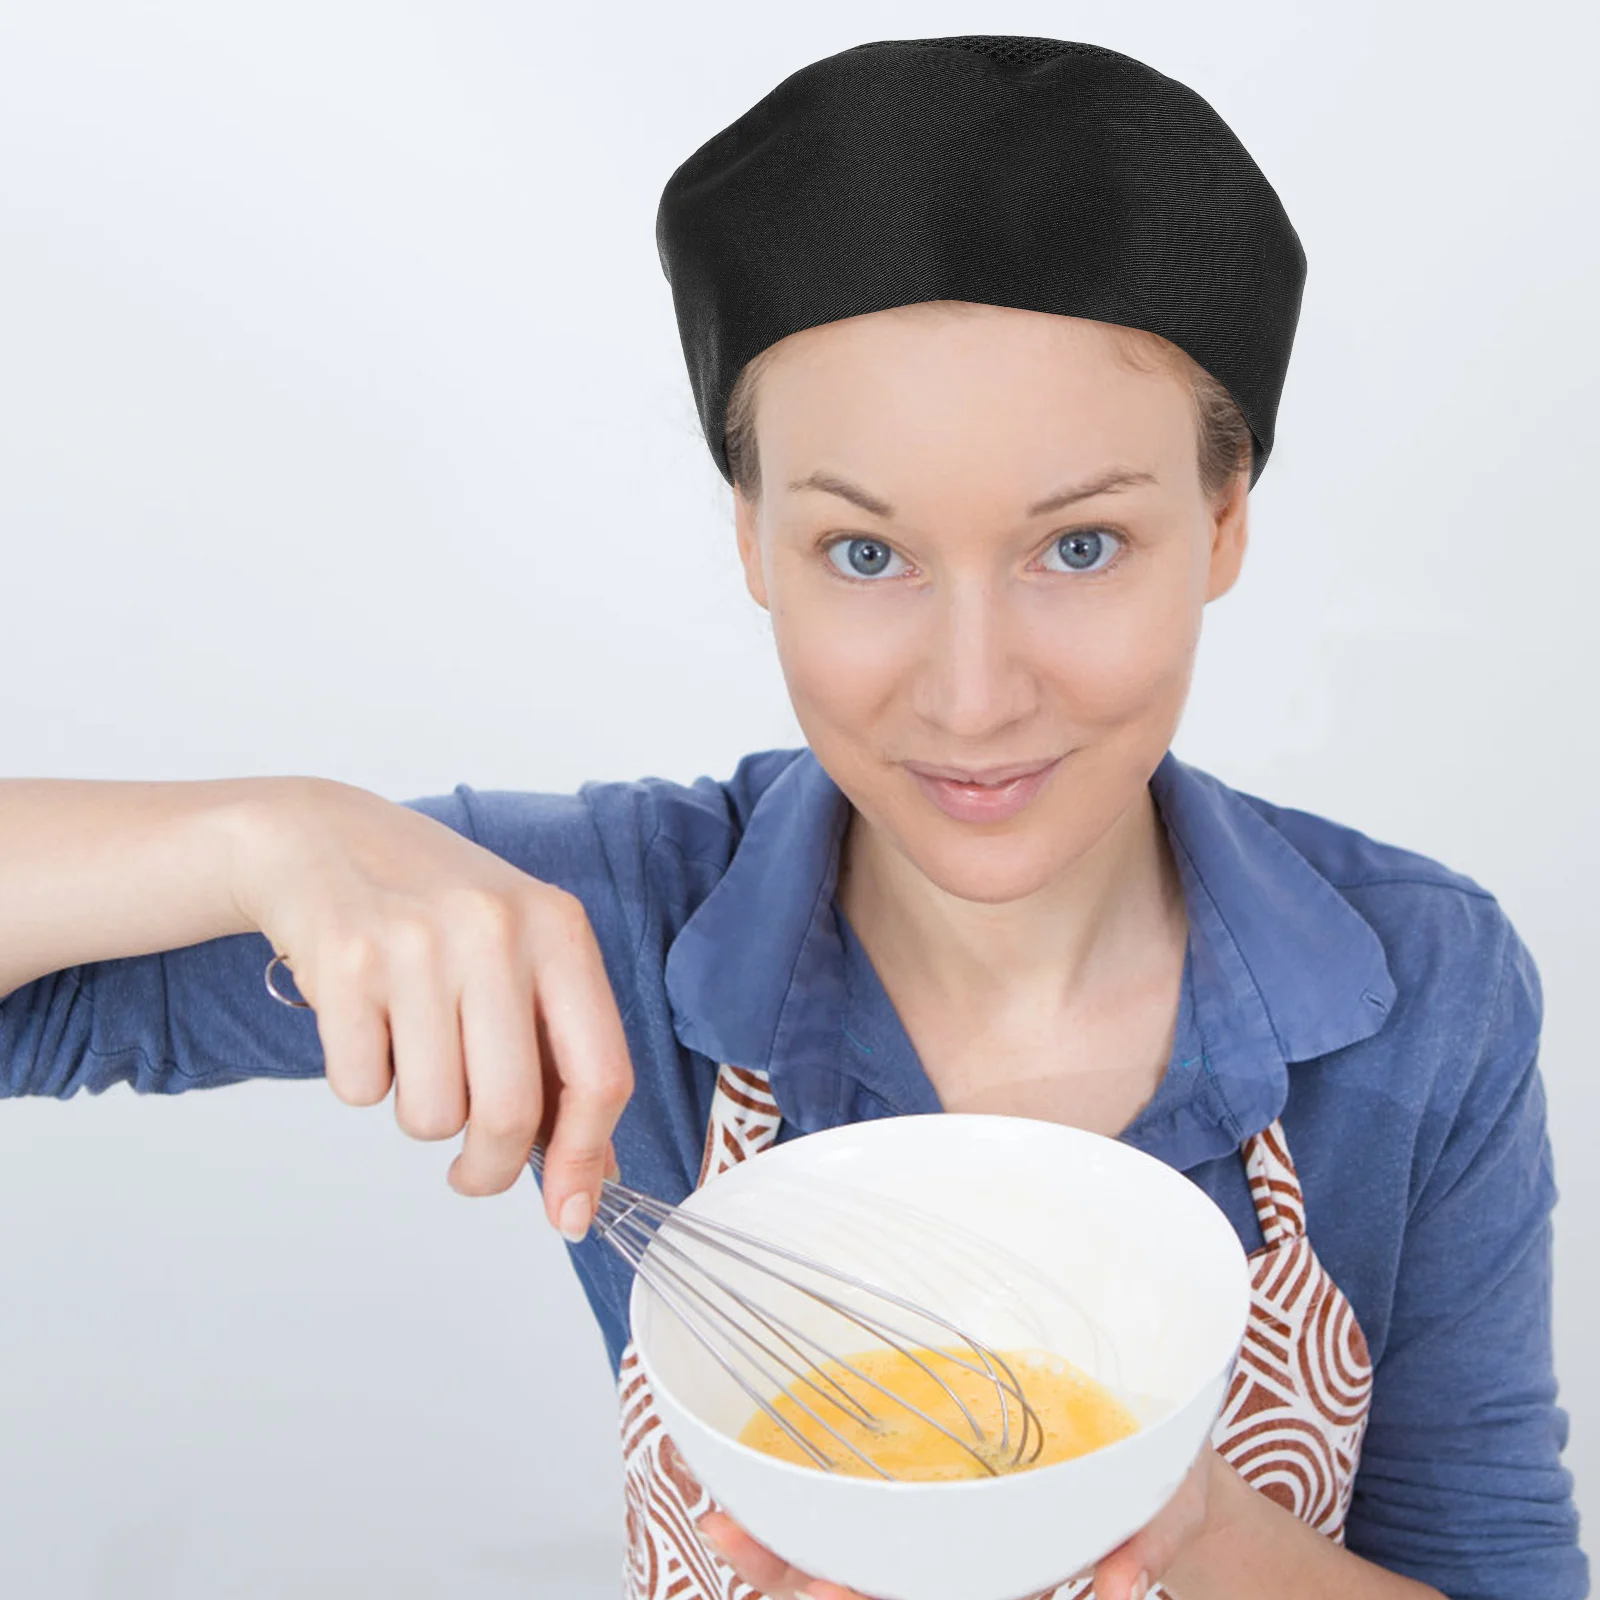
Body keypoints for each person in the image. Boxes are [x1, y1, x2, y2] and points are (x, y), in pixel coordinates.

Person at [0, 32, 1587, 1600]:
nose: (971, 699)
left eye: (1081, 546)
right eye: (866, 555)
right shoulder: (611, 923)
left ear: (1224, 518)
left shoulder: (1418, 988)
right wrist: (271, 838)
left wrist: (1190, 1538)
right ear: (753, 536)